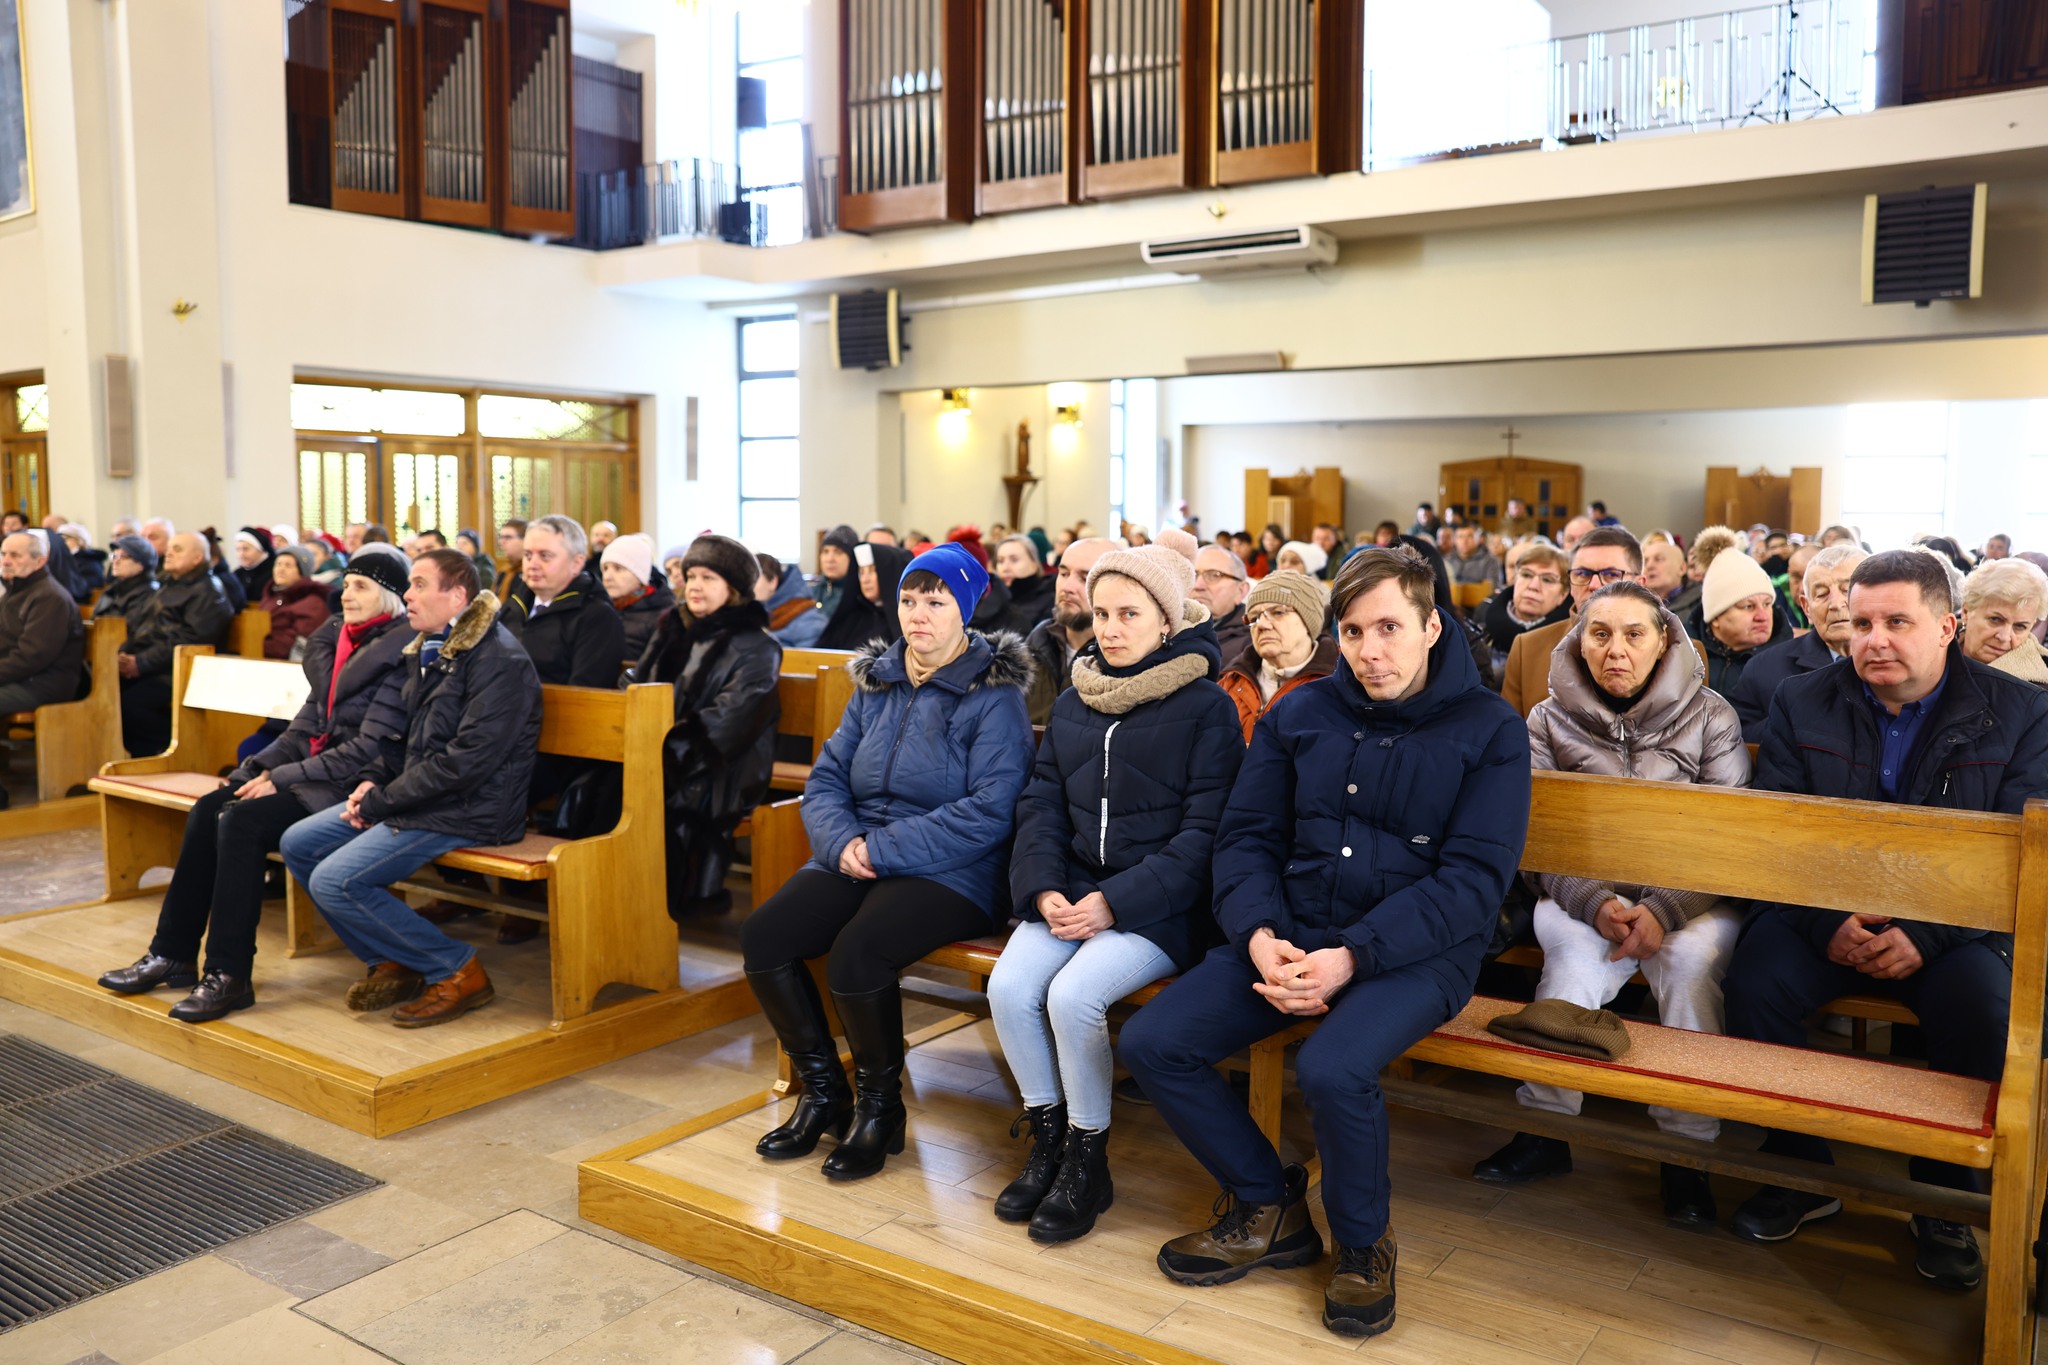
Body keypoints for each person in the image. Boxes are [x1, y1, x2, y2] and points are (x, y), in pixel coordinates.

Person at [1120, 547, 1530, 1339]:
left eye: (1389, 628)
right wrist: (1258, 934)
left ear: (1431, 626)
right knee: (1155, 1041)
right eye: (1353, 631)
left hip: (1420, 949)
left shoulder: (1490, 728)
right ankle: (1268, 1202)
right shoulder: (1301, 711)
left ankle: (1363, 1244)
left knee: (1333, 1067)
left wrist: (1354, 956)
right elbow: (1246, 837)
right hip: (1294, 930)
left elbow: (1474, 880)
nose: (1370, 650)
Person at [1721, 550, 2048, 1289]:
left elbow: (2016, 855)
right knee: (1754, 981)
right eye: (1862, 622)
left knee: (1983, 1007)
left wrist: (1925, 934)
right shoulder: (1804, 699)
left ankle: (1942, 1199)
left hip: (1955, 921)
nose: (1874, 640)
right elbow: (1780, 832)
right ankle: (1801, 1171)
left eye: (1898, 622)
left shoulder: (2022, 711)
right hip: (1825, 908)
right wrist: (1826, 921)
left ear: (1947, 627)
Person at [739, 544, 1033, 1180]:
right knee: (765, 937)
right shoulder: (877, 682)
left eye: (936, 602)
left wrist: (880, 849)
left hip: (956, 870)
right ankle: (824, 1093)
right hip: (859, 851)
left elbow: (992, 810)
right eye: (908, 600)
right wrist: (842, 843)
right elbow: (826, 780)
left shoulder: (994, 695)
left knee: (858, 951)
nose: (918, 615)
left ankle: (880, 1110)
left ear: (966, 609)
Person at [1469, 583, 1750, 1223]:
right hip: (1582, 892)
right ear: (1579, 641)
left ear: (1663, 641)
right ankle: (1545, 1129)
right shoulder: (1546, 719)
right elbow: (1534, 836)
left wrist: (1665, 910)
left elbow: (1730, 838)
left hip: (1690, 896)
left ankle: (1686, 1151)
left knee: (1690, 964)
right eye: (1600, 635)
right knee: (1572, 960)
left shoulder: (1712, 716)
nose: (1615, 650)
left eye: (1633, 634)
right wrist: (1594, 902)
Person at [989, 542, 1242, 1242]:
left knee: (1074, 996)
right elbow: (1041, 804)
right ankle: (1047, 1140)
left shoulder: (1206, 707)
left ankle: (1087, 1159)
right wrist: (1044, 888)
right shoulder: (1076, 700)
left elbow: (1205, 835)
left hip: (1160, 907)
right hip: (1072, 890)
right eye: (1101, 613)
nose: (1110, 628)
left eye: (1129, 613)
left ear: (1166, 621)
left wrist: (1115, 902)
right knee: (1009, 986)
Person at [95, 550, 414, 1021]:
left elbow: (368, 748)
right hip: (313, 774)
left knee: (241, 823)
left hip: (352, 785)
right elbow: (303, 727)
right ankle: (171, 953)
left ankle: (229, 974)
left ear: (389, 597)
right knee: (210, 807)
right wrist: (255, 770)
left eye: (361, 587)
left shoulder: (399, 656)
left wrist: (279, 779)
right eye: (346, 585)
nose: (347, 595)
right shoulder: (341, 644)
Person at [279, 549, 540, 1028]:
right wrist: (372, 781)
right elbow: (404, 738)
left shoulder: (498, 660)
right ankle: (392, 959)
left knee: (335, 881)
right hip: (424, 797)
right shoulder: (433, 647)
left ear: (456, 596)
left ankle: (456, 969)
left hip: (470, 808)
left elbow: (465, 764)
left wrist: (381, 802)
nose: (408, 595)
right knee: (299, 841)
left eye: (420, 585)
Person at [628, 535, 781, 919]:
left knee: (667, 799)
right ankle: (611, 898)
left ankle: (652, 908)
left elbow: (729, 723)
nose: (694, 585)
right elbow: (637, 684)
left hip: (722, 765)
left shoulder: (758, 648)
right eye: (691, 575)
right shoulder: (672, 628)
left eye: (708, 578)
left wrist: (660, 755)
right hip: (662, 751)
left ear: (734, 589)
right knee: (592, 786)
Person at [1500, 527, 1645, 720]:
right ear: (1570, 583)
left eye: (1611, 574)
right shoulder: (1527, 649)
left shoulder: (1672, 649)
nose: (1594, 585)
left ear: (1639, 584)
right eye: (1583, 573)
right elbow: (1511, 734)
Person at [1728, 544, 1866, 742]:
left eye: (1847, 590)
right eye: (1821, 594)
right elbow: (1735, 738)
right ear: (1806, 608)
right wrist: (1795, 720)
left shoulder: (1901, 663)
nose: (1836, 604)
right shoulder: (1763, 669)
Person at [119, 533, 233, 757]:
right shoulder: (168, 583)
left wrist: (140, 663)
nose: (169, 553)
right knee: (105, 693)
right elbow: (145, 626)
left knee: (129, 704)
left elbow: (190, 641)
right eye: (170, 548)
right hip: (157, 665)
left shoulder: (208, 591)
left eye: (178, 549)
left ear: (197, 558)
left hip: (181, 672)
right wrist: (125, 655)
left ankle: (167, 753)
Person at [502, 514, 625, 689]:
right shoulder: (513, 606)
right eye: (528, 555)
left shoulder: (597, 617)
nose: (532, 564)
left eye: (545, 556)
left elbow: (585, 693)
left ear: (577, 563)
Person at [1218, 571, 1337, 742]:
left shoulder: (1342, 683)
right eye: (1254, 618)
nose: (1262, 625)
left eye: (1278, 612)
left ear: (1308, 621)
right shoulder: (1229, 684)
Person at [1023, 537, 1114, 724]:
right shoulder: (1034, 644)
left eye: (1085, 578)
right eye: (1064, 574)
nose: (1067, 587)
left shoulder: (1120, 656)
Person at [0, 532, 85, 731]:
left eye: (15, 555)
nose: (6, 561)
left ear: (40, 561)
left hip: (41, 684)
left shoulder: (50, 598)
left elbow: (31, 657)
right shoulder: (14, 592)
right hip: (18, 678)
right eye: (3, 554)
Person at [1689, 549, 1792, 696]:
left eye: (1767, 604)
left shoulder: (1792, 665)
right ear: (1716, 617)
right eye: (1748, 606)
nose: (1762, 616)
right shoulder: (1683, 657)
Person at [1476, 542, 1570, 686]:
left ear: (1563, 594)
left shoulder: (1571, 645)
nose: (1533, 586)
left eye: (1547, 579)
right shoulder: (1481, 630)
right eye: (1526, 575)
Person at [817, 541, 914, 651]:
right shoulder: (852, 619)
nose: (865, 579)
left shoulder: (903, 622)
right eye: (861, 572)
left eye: (872, 571)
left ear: (888, 574)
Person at [1957, 557, 2048, 672]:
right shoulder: (1936, 647)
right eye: (1995, 619)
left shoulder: (2041, 680)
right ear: (1966, 612)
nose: (2004, 637)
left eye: (2020, 626)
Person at [602, 533, 673, 668]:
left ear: (640, 574)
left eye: (618, 568)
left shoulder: (663, 616)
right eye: (605, 568)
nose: (607, 577)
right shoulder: (602, 609)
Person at [258, 544, 332, 660]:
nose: (281, 570)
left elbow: (293, 642)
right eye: (278, 564)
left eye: (288, 565)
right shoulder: (273, 596)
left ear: (302, 572)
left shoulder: (313, 602)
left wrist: (255, 646)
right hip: (261, 656)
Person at [1191, 544, 1251, 663]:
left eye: (1214, 575)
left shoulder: (1251, 643)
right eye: (1193, 575)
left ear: (1241, 591)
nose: (1198, 585)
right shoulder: (1166, 628)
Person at [992, 534, 1056, 637]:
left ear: (1034, 565)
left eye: (1014, 560)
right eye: (1000, 561)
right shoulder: (991, 597)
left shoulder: (1051, 600)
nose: (1005, 568)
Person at [95, 535, 159, 620]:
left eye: (123, 557)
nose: (115, 561)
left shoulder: (148, 593)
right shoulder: (113, 589)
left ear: (141, 565)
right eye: (114, 556)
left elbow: (127, 625)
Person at [58, 523, 107, 594]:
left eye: (64, 539)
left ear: (79, 541)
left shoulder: (90, 562)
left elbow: (82, 590)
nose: (61, 543)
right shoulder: (66, 560)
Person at [1640, 538, 1686, 606]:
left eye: (1659, 559)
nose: (1649, 566)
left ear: (1681, 568)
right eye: (1645, 562)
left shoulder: (1700, 605)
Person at [494, 520, 527, 599]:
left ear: (524, 539)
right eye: (500, 537)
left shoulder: (530, 572)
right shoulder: (504, 571)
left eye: (507, 537)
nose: (501, 542)